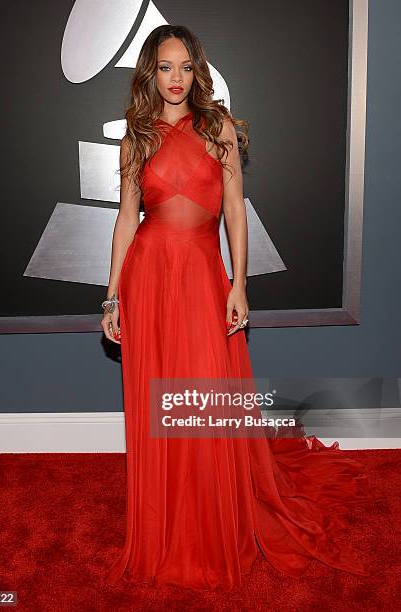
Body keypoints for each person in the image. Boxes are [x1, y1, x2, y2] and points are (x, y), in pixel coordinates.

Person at [102, 25, 370, 591]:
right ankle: (166, 520)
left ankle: (207, 511)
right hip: (147, 277)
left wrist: (239, 285)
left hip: (202, 275)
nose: (176, 79)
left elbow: (235, 215)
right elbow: (127, 220)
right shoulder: (137, 136)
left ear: (198, 72)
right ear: (150, 73)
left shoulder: (217, 128)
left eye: (185, 67)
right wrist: (111, 295)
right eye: (165, 67)